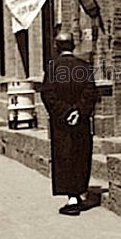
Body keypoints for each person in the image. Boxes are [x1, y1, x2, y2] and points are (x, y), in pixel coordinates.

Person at [40, 31, 97, 216]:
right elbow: (90, 93)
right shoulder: (83, 66)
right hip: (80, 122)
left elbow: (48, 94)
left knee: (64, 156)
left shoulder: (53, 68)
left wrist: (65, 113)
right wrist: (78, 112)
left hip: (61, 123)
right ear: (73, 46)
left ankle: (71, 198)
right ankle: (78, 192)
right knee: (80, 155)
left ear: (57, 47)